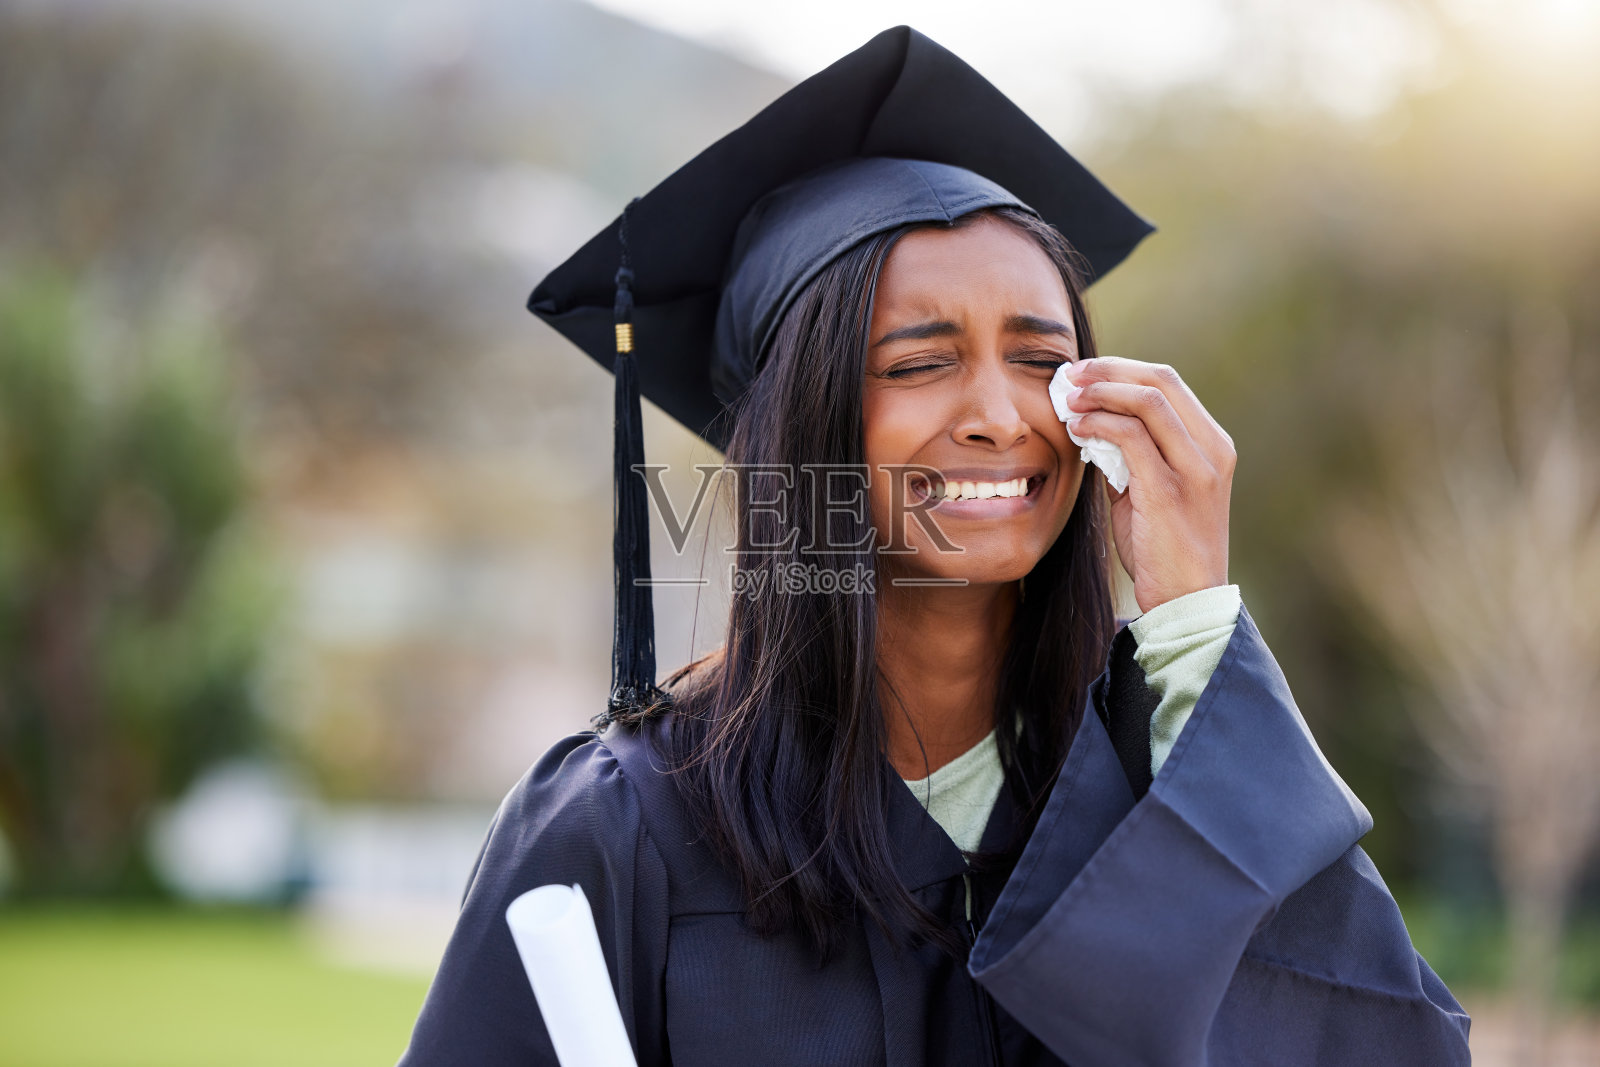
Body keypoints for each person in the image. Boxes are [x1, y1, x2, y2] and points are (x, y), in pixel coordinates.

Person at [398, 26, 1471, 1066]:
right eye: (917, 363)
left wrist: (1191, 625)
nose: (999, 415)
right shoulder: (625, 823)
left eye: (1039, 358)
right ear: (798, 429)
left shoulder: (1161, 798)